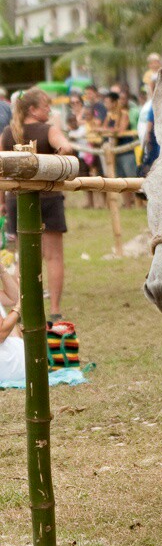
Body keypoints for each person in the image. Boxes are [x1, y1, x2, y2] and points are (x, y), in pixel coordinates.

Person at [0, 88, 73, 320]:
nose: (50, 110)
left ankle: (23, 307)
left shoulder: (8, 133)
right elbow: (67, 148)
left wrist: (2, 202)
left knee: (26, 255)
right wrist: (53, 164)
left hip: (17, 199)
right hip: (49, 198)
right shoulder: (48, 130)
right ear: (32, 109)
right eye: (46, 106)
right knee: (54, 256)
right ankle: (55, 311)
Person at [0, 264, 24, 382]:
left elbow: (12, 298)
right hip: (7, 368)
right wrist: (19, 307)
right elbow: (1, 335)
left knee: (13, 325)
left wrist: (2, 271)